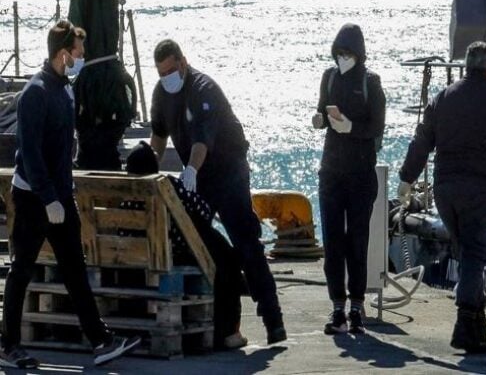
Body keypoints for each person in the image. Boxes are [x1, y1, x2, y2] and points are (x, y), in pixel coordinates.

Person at [1, 20, 140, 369]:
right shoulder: (36, 93)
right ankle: (8, 344)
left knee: (75, 268)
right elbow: (29, 153)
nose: (81, 57)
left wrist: (64, 193)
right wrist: (48, 198)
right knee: (22, 269)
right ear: (64, 54)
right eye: (78, 52)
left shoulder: (64, 89)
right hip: (35, 199)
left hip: (60, 196)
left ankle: (100, 340)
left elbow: (63, 148)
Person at [397, 41, 486, 354]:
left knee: (466, 251)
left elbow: (422, 140)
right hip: (477, 189)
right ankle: (465, 322)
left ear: (465, 67)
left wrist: (406, 178)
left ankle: (476, 328)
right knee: (475, 255)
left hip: (445, 191)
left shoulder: (443, 98)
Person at [149, 39, 286, 344]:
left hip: (227, 171)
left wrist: (191, 170)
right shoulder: (162, 93)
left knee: (245, 241)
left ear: (182, 63)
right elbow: (158, 136)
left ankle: (272, 319)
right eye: (161, 74)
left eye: (170, 71)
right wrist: (148, 166)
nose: (166, 79)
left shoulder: (203, 89)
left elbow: (202, 141)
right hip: (199, 178)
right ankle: (230, 292)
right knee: (195, 237)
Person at [124, 141, 247, 350]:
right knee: (226, 259)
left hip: (140, 256)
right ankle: (228, 332)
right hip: (181, 252)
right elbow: (204, 212)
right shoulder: (171, 186)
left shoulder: (126, 196)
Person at [311, 23, 386, 335]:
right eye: (339, 53)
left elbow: (377, 127)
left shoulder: (371, 82)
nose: (343, 58)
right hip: (331, 172)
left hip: (360, 174)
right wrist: (319, 120)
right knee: (333, 243)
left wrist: (351, 128)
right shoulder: (329, 78)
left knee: (358, 241)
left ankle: (356, 306)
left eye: (348, 53)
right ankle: (337, 307)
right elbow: (320, 111)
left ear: (359, 54)